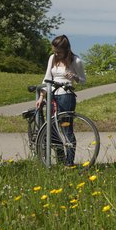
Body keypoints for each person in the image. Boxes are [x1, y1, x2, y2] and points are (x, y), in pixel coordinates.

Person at [36, 35, 86, 166]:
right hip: (52, 95)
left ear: (66, 49)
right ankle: (61, 159)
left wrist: (74, 76)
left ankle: (69, 162)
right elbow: (46, 78)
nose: (56, 54)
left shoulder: (76, 60)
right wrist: (41, 96)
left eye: (59, 52)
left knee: (66, 129)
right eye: (54, 51)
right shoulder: (52, 58)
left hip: (66, 96)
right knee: (52, 129)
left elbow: (83, 81)